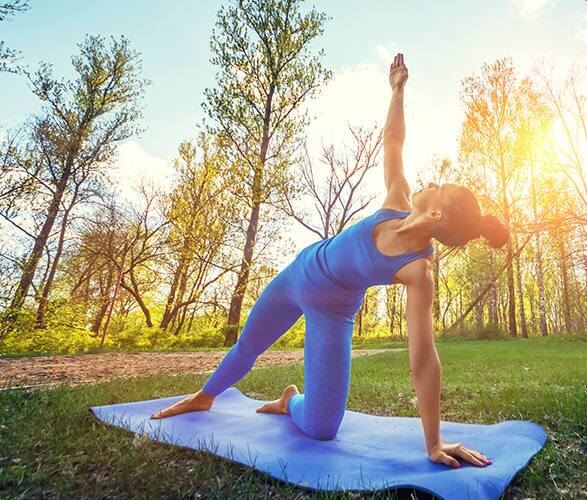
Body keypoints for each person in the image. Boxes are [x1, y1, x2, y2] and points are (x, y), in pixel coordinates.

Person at [150, 53, 508, 469]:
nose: (430, 182)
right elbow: (394, 141)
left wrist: (434, 442)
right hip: (299, 273)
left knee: (322, 428)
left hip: (332, 312)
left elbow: (424, 358)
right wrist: (396, 90)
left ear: (436, 216)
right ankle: (204, 395)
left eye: (438, 187)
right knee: (249, 344)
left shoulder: (418, 270)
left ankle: (290, 400)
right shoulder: (397, 199)